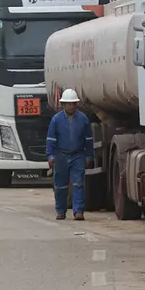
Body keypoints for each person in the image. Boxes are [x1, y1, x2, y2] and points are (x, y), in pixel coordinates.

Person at [46, 89, 94, 220]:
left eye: (73, 103)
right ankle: (60, 210)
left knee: (78, 183)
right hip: (60, 155)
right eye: (68, 104)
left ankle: (78, 211)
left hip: (77, 155)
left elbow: (89, 139)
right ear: (63, 105)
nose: (71, 106)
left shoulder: (83, 119)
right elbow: (50, 139)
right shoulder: (56, 120)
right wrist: (50, 156)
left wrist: (89, 156)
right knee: (60, 185)